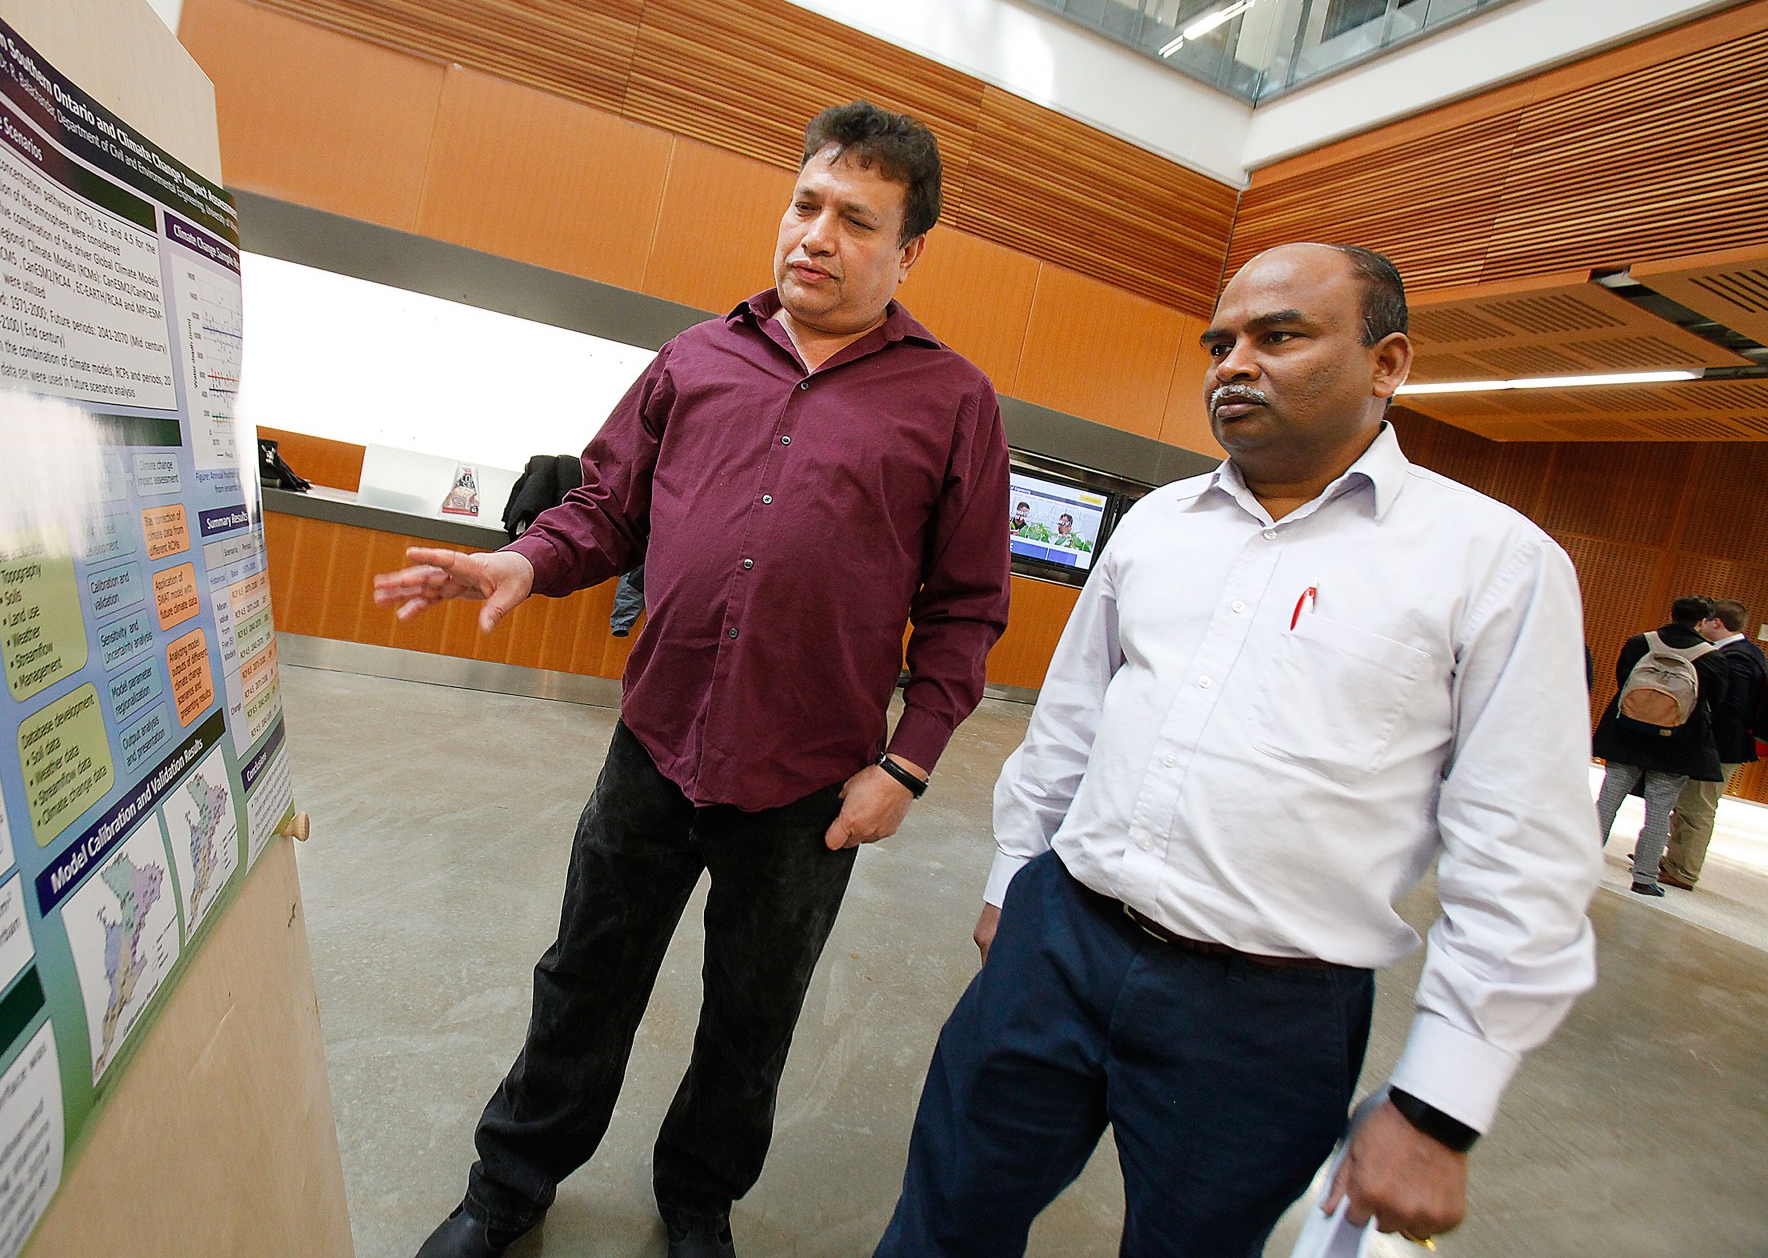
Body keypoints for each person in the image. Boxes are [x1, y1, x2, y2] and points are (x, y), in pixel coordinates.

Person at [874, 242, 1602, 1257]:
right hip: (1056, 943)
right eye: (1220, 341)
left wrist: (1437, 1105)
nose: (1232, 363)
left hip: (1265, 1016)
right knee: (942, 1219)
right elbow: (1071, 723)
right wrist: (1011, 880)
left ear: (1386, 362)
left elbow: (1520, 856)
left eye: (1280, 335)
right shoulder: (1158, 525)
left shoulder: (1494, 565)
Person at [373, 102, 1011, 1258]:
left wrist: (905, 767)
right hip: (655, 749)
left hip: (811, 787)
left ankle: (697, 1200)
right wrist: (521, 557)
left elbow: (966, 610)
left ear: (908, 250)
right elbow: (607, 507)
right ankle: (509, 1183)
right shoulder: (696, 359)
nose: (813, 235)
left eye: (853, 219)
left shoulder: (952, 403)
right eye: (804, 204)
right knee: (583, 977)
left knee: (751, 1018)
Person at [1594, 595, 1729, 896]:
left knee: (1607, 803)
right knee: (1658, 813)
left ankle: (1583, 862)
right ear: (1703, 621)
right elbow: (1715, 703)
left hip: (1626, 735)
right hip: (1675, 746)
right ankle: (1644, 878)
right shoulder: (1711, 658)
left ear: (1672, 613)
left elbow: (1623, 680)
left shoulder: (1639, 642)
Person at [1660, 598, 1766, 889]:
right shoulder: (1744, 652)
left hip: (1719, 746)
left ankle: (1683, 871)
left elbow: (1733, 706)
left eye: (1705, 621)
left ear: (1716, 623)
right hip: (1717, 745)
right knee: (1687, 804)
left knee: (1698, 809)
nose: (1700, 625)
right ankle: (1673, 859)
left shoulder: (1739, 657)